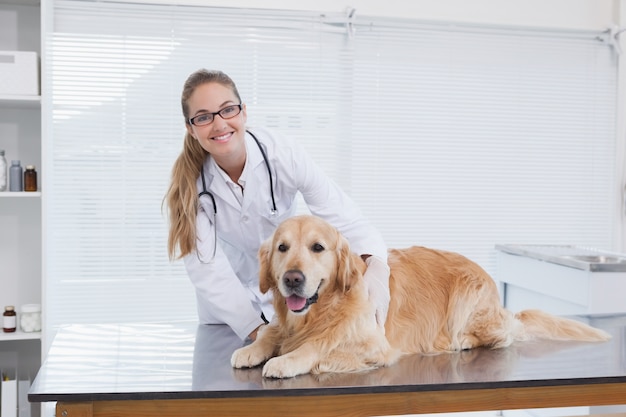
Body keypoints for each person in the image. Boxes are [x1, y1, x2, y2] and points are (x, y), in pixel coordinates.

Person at [165, 69, 390, 341]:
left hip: (286, 299)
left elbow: (344, 218)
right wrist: (255, 331)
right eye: (203, 117)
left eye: (228, 110)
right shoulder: (189, 186)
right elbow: (208, 269)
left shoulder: (283, 154)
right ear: (190, 128)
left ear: (243, 112)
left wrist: (378, 267)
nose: (219, 124)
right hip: (226, 314)